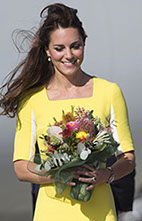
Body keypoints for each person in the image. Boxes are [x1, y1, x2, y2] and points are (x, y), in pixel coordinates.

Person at [0, 3, 135, 221]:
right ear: (47, 50)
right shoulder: (31, 100)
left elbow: (128, 159)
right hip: (51, 212)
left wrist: (106, 175)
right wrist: (59, 174)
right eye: (59, 48)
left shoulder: (109, 92)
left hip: (100, 211)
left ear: (84, 44)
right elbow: (21, 168)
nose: (69, 55)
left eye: (75, 46)